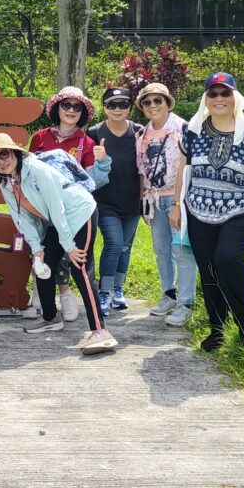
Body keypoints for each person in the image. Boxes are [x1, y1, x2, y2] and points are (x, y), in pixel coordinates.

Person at [0, 133, 117, 355]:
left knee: (80, 266)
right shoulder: (6, 183)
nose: (1, 161)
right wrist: (37, 249)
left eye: (4, 154)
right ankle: (51, 317)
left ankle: (100, 331)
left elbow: (57, 206)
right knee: (43, 266)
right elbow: (21, 217)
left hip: (79, 213)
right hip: (55, 221)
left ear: (14, 152)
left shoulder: (37, 169)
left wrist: (69, 246)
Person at [169, 72, 244, 351]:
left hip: (242, 207)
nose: (219, 99)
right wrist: (177, 205)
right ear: (206, 99)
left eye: (224, 93)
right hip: (199, 208)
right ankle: (217, 327)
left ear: (235, 97)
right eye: (213, 94)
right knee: (208, 269)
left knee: (227, 259)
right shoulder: (194, 128)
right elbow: (184, 167)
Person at [25, 86, 111, 322]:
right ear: (57, 108)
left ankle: (67, 296)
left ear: (82, 112)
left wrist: (102, 162)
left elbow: (93, 181)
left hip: (73, 212)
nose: (71, 110)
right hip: (43, 209)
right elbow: (28, 172)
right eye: (66, 105)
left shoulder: (87, 141)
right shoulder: (40, 137)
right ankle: (44, 299)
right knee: (41, 250)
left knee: (72, 256)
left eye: (77, 107)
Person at [137, 82, 198, 327]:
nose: (153, 106)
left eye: (158, 100)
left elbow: (189, 167)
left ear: (167, 103)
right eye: (147, 102)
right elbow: (142, 170)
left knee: (182, 249)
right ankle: (169, 294)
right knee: (161, 250)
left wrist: (177, 203)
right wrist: (144, 201)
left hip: (177, 197)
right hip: (153, 198)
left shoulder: (183, 128)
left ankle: (186, 303)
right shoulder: (141, 135)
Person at [86, 87, 143, 318]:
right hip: (105, 201)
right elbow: (87, 171)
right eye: (112, 104)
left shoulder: (139, 132)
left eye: (122, 104)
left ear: (130, 107)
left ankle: (118, 288)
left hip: (132, 201)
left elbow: (144, 168)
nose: (117, 109)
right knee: (114, 244)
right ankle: (104, 292)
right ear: (104, 108)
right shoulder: (93, 132)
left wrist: (143, 198)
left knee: (125, 248)